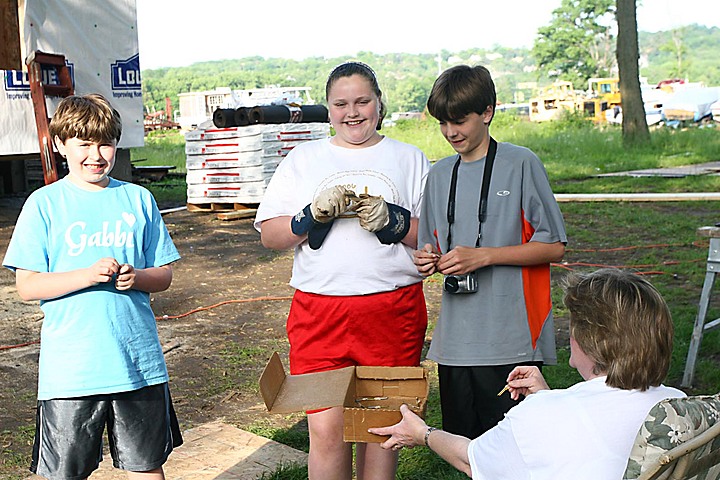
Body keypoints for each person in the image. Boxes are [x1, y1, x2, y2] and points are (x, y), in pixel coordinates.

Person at [253, 61, 430, 480]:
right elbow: (270, 235)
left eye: (362, 101)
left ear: (379, 103)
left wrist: (396, 221)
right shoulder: (304, 158)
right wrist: (308, 216)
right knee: (327, 431)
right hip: (320, 313)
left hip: (391, 310)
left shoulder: (409, 158)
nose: (352, 112)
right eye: (341, 104)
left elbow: (437, 239)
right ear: (328, 109)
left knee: (382, 430)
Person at [2, 94, 182, 480]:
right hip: (72, 371)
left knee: (147, 466)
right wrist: (85, 275)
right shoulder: (44, 204)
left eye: (105, 143)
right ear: (60, 144)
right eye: (83, 144)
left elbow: (164, 274)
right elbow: (28, 286)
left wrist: (139, 277)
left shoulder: (139, 199)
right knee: (65, 472)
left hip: (138, 364)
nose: (96, 155)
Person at [370, 268, 686, 479]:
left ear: (589, 341)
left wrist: (423, 434)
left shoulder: (544, 415)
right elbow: (598, 424)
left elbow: (472, 459)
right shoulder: (676, 403)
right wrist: (549, 398)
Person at [413, 64, 568, 438]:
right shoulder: (438, 175)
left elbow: (554, 246)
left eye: (460, 120)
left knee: (517, 453)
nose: (451, 132)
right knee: (466, 453)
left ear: (487, 112)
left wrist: (485, 256)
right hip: (454, 346)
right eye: (443, 123)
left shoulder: (521, 163)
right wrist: (428, 260)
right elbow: (429, 247)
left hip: (510, 340)